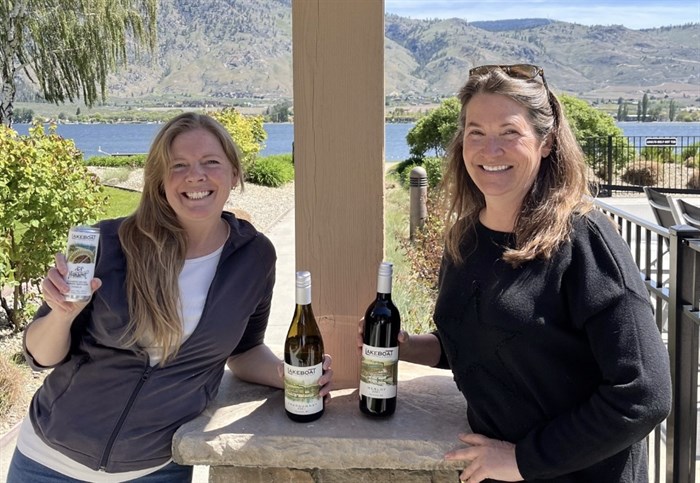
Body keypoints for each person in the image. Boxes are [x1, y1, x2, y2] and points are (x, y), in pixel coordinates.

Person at [360, 64, 671, 482]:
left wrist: (523, 460)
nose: (490, 151)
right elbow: (491, 342)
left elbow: (644, 393)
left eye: (510, 133)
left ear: (545, 142)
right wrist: (411, 347)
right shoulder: (465, 238)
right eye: (476, 133)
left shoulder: (583, 240)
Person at [8, 112, 333, 482]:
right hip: (48, 464)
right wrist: (61, 314)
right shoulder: (107, 244)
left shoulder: (254, 257)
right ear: (160, 181)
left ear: (233, 174)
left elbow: (243, 351)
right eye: (179, 165)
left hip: (158, 471)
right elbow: (40, 356)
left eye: (211, 162)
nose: (196, 175)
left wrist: (285, 374)